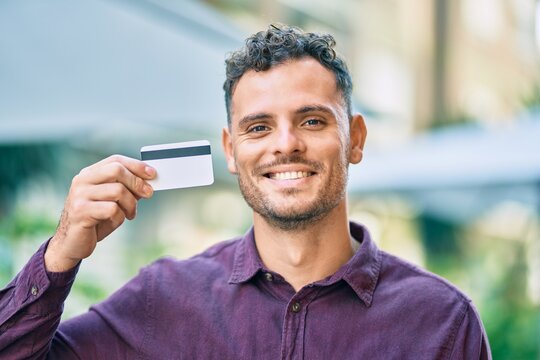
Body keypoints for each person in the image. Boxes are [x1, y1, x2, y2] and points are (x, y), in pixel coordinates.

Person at [0, 24, 491, 359]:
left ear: (355, 139)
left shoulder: (442, 321)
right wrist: (61, 252)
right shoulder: (163, 298)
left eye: (312, 120)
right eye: (259, 128)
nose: (286, 144)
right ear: (231, 151)